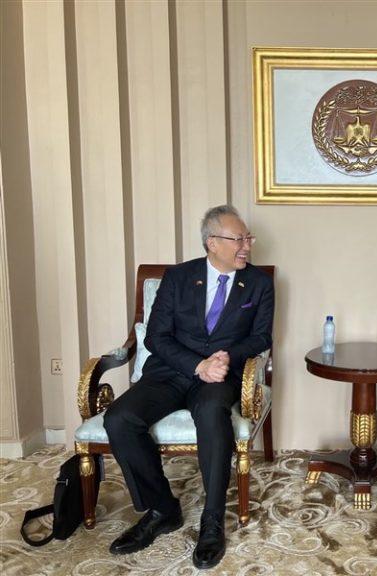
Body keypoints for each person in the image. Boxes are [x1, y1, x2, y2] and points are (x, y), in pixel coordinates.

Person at [104, 205, 274, 570]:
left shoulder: (258, 283)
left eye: (248, 238)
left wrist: (225, 357)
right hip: (170, 372)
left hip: (220, 376)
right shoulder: (179, 277)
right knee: (119, 418)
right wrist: (198, 365)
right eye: (239, 239)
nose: (247, 245)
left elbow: (261, 337)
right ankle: (162, 509)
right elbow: (156, 336)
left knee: (213, 413)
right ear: (212, 242)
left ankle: (212, 520)